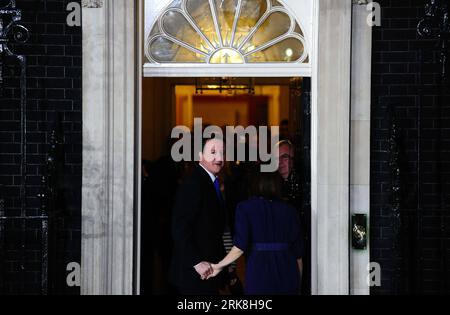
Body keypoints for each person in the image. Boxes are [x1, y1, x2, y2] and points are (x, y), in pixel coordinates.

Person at [206, 172, 304, 295]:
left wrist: (219, 266)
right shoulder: (290, 210)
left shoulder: (245, 208)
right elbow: (298, 256)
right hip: (287, 272)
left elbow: (239, 247)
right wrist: (298, 284)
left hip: (259, 271)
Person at [169, 137, 227, 295]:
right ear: (200, 155)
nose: (220, 158)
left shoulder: (210, 181)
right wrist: (196, 262)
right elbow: (180, 227)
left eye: (222, 152)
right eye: (213, 152)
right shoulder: (194, 183)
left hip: (208, 272)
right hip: (194, 275)